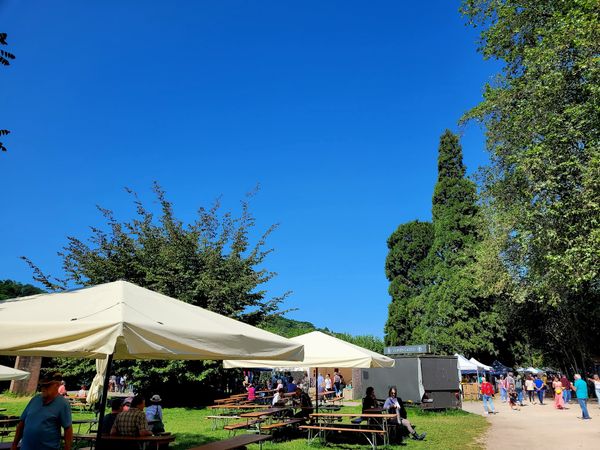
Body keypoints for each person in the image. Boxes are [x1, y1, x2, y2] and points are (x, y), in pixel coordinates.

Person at [11, 372, 73, 450]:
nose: (43, 388)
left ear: (57, 385)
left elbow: (68, 429)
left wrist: (67, 448)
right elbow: (22, 423)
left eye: (47, 385)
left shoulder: (63, 404)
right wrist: (14, 445)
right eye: (42, 385)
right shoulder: (35, 399)